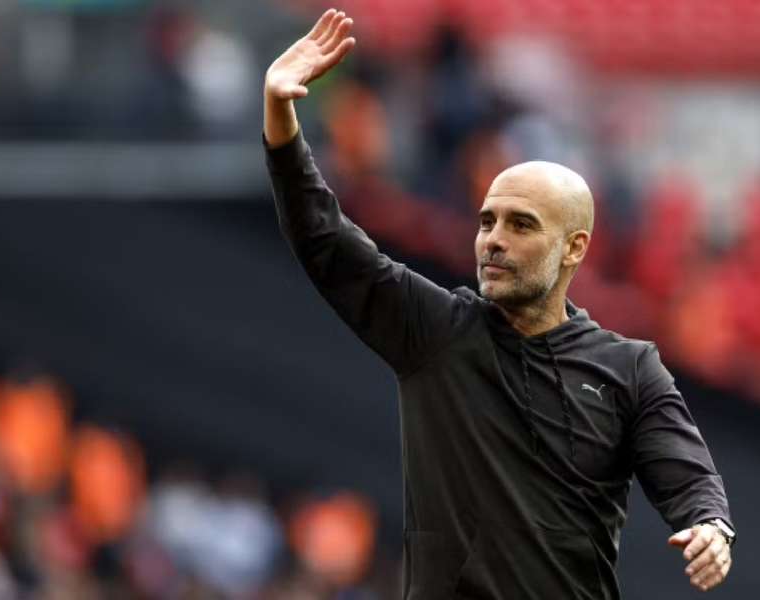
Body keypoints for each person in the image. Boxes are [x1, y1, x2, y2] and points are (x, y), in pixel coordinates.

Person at [263, 9, 735, 599]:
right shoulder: (436, 331)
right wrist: (282, 120)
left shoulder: (630, 369)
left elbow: (688, 478)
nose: (493, 239)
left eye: (520, 224)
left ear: (573, 248)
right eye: (487, 221)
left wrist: (711, 525)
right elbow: (323, 238)